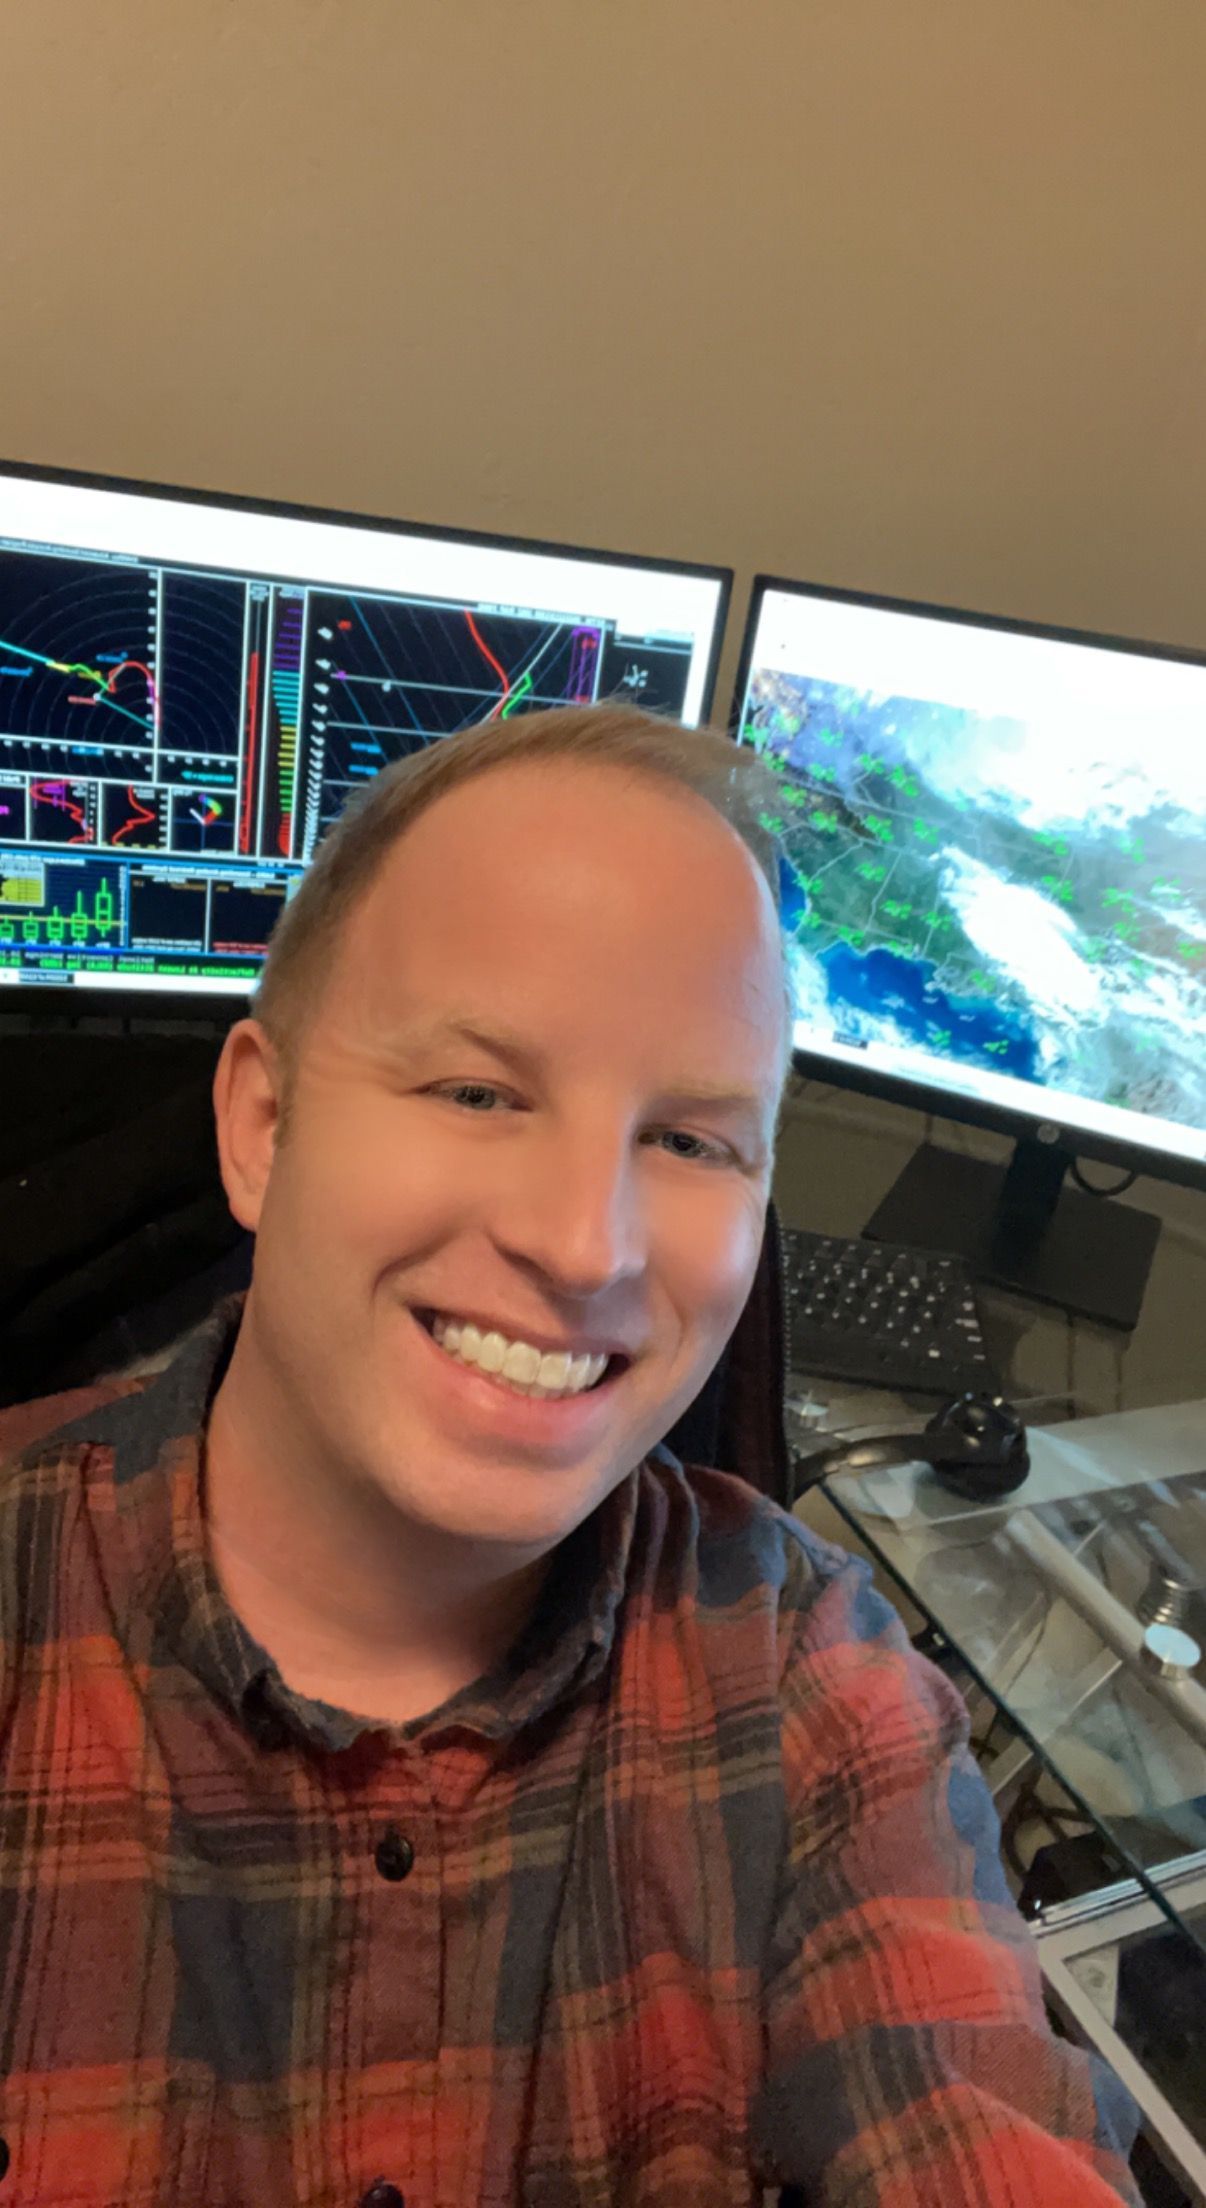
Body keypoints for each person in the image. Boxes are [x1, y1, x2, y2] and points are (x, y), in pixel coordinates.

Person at [0, 703, 1140, 2206]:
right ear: (265, 1126)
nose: (582, 1243)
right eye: (478, 1092)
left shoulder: (812, 1688)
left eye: (688, 1141)